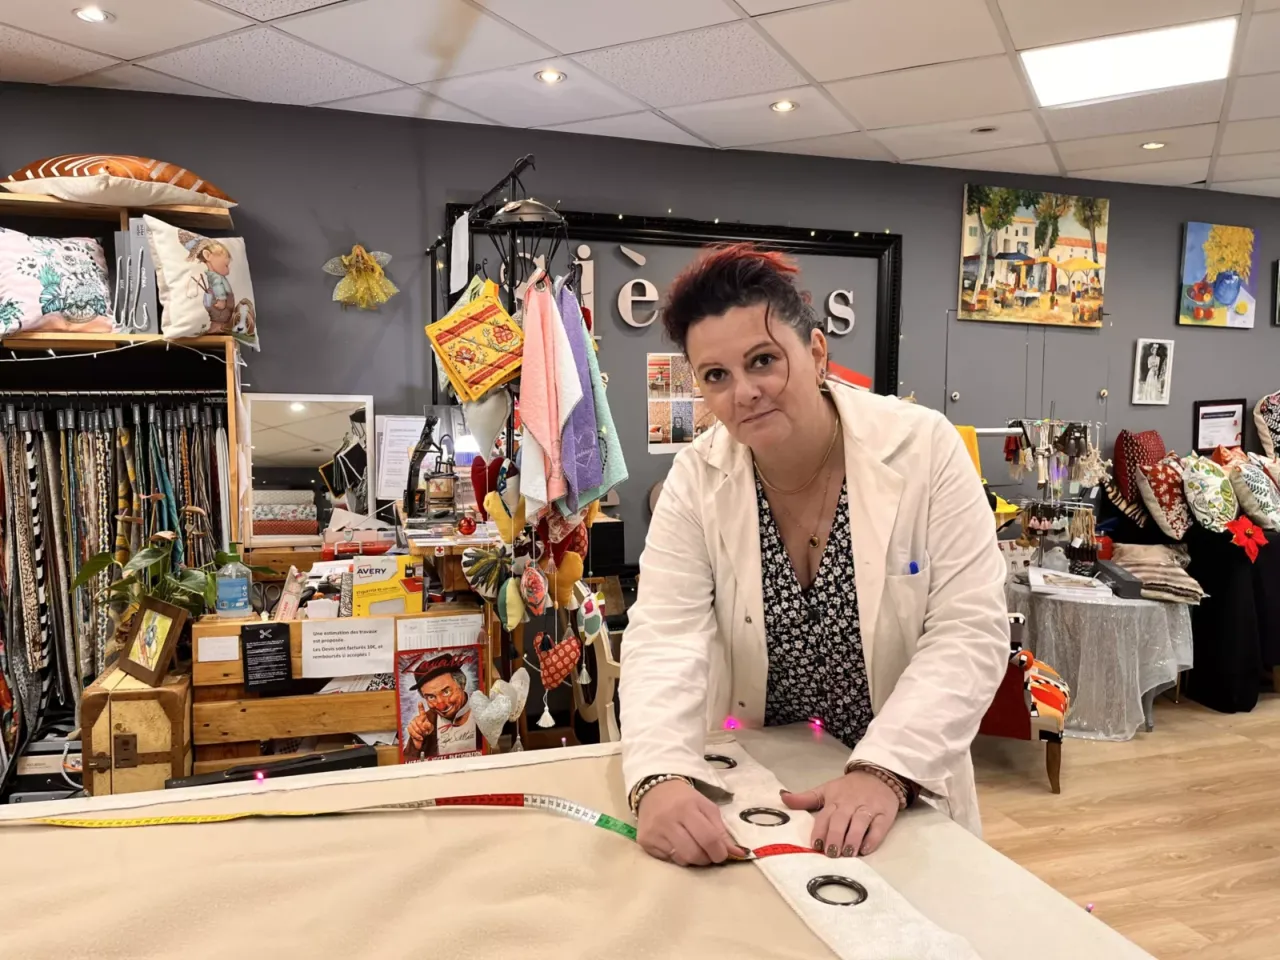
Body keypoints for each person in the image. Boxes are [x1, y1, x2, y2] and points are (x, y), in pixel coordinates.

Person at [620, 244, 1008, 867]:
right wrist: (658, 775)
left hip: (900, 786)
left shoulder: (924, 448)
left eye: (764, 360)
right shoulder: (696, 478)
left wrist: (885, 770)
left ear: (819, 353)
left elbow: (969, 630)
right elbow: (666, 638)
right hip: (761, 787)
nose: (743, 392)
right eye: (716, 375)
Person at [404, 653, 478, 760]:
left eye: (446, 692)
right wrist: (416, 746)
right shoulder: (425, 722)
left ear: (462, 684)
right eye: (431, 697)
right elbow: (408, 765)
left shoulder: (481, 710)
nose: (441, 706)